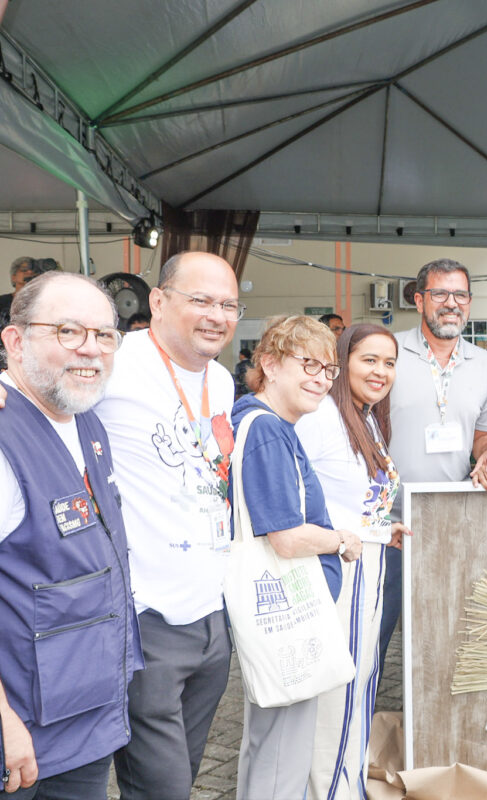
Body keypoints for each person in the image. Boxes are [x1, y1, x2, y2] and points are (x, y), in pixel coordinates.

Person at [104, 251, 241, 800]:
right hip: (147, 617)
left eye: (228, 305)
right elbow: (36, 385)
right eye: (201, 300)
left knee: (181, 777)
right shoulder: (113, 360)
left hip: (211, 617)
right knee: (160, 787)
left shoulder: (222, 380)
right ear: (158, 302)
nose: (217, 316)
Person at [0, 273, 142, 799]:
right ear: (15, 341)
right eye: (67, 331)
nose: (91, 349)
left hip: (85, 716)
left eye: (104, 335)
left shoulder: (85, 420)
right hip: (23, 734)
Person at [230, 315, 363, 800]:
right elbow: (285, 537)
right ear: (268, 364)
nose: (321, 379)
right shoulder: (268, 430)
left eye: (328, 369)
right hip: (288, 615)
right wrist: (340, 540)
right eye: (308, 364)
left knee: (270, 748)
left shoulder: (266, 424)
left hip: (287, 615)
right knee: (282, 756)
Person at [296, 322, 409, 799]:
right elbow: (294, 497)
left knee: (360, 687)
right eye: (369, 360)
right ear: (342, 363)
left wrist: (383, 529)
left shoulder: (366, 418)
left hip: (371, 567)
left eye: (389, 362)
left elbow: (352, 501)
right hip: (339, 574)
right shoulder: (321, 417)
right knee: (336, 694)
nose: (380, 371)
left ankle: (348, 785)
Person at [382, 258, 487, 661]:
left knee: (445, 634)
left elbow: (485, 433)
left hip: (452, 521)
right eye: (440, 294)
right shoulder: (388, 352)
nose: (451, 303)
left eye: (460, 295)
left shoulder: (485, 364)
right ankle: (365, 703)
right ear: (419, 301)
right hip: (388, 524)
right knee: (375, 635)